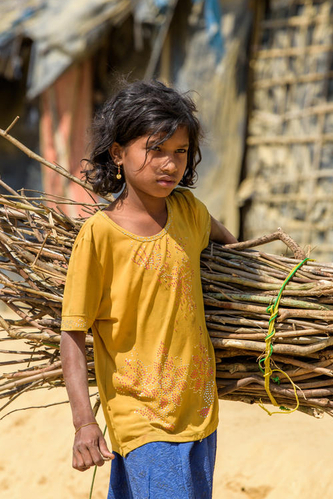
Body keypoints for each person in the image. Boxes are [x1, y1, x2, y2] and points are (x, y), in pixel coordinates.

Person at [60, 80, 237, 498]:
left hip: (199, 409)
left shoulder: (190, 213)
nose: (170, 164)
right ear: (118, 153)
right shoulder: (100, 236)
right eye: (155, 149)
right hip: (140, 415)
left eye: (179, 152)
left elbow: (234, 250)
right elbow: (72, 333)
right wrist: (84, 422)